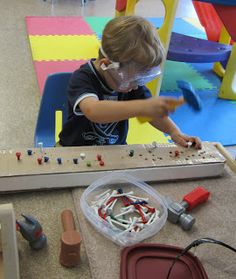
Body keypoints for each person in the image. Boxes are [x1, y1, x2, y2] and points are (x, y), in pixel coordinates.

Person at [58, 15, 201, 149]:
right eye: (131, 80)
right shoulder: (83, 78)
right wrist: (142, 107)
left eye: (141, 79)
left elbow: (151, 115)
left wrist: (174, 132)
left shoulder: (132, 86)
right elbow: (93, 111)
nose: (136, 86)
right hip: (74, 151)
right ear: (105, 64)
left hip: (116, 152)